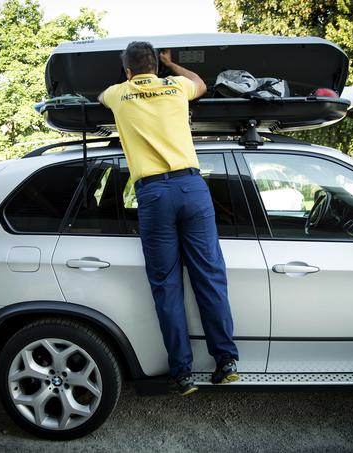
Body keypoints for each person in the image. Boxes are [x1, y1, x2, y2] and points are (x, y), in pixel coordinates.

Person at [98, 41, 239, 395]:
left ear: (128, 71)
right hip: (192, 189)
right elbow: (201, 83)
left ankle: (183, 373)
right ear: (157, 67)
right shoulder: (176, 86)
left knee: (167, 285)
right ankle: (226, 361)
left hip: (154, 194)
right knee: (209, 276)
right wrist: (171, 66)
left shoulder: (118, 94)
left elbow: (100, 96)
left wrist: (131, 83)